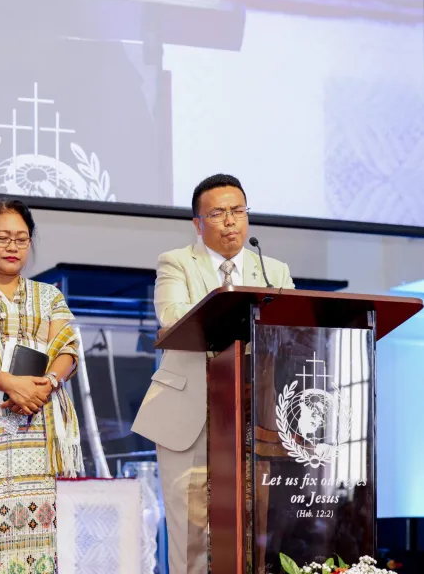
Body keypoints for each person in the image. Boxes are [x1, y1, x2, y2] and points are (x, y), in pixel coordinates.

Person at [132, 174, 295, 574]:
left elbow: (292, 332)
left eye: (238, 211)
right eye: (218, 213)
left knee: (255, 533)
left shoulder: (273, 270)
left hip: (255, 418)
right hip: (188, 415)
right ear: (198, 222)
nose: (230, 221)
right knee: (190, 536)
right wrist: (237, 311)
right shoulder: (176, 262)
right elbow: (172, 317)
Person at [0, 199, 82, 573]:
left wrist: (44, 386)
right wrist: (6, 382)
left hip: (39, 428)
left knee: (40, 536)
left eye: (21, 238)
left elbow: (67, 348)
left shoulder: (48, 295)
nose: (12, 246)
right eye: (2, 237)